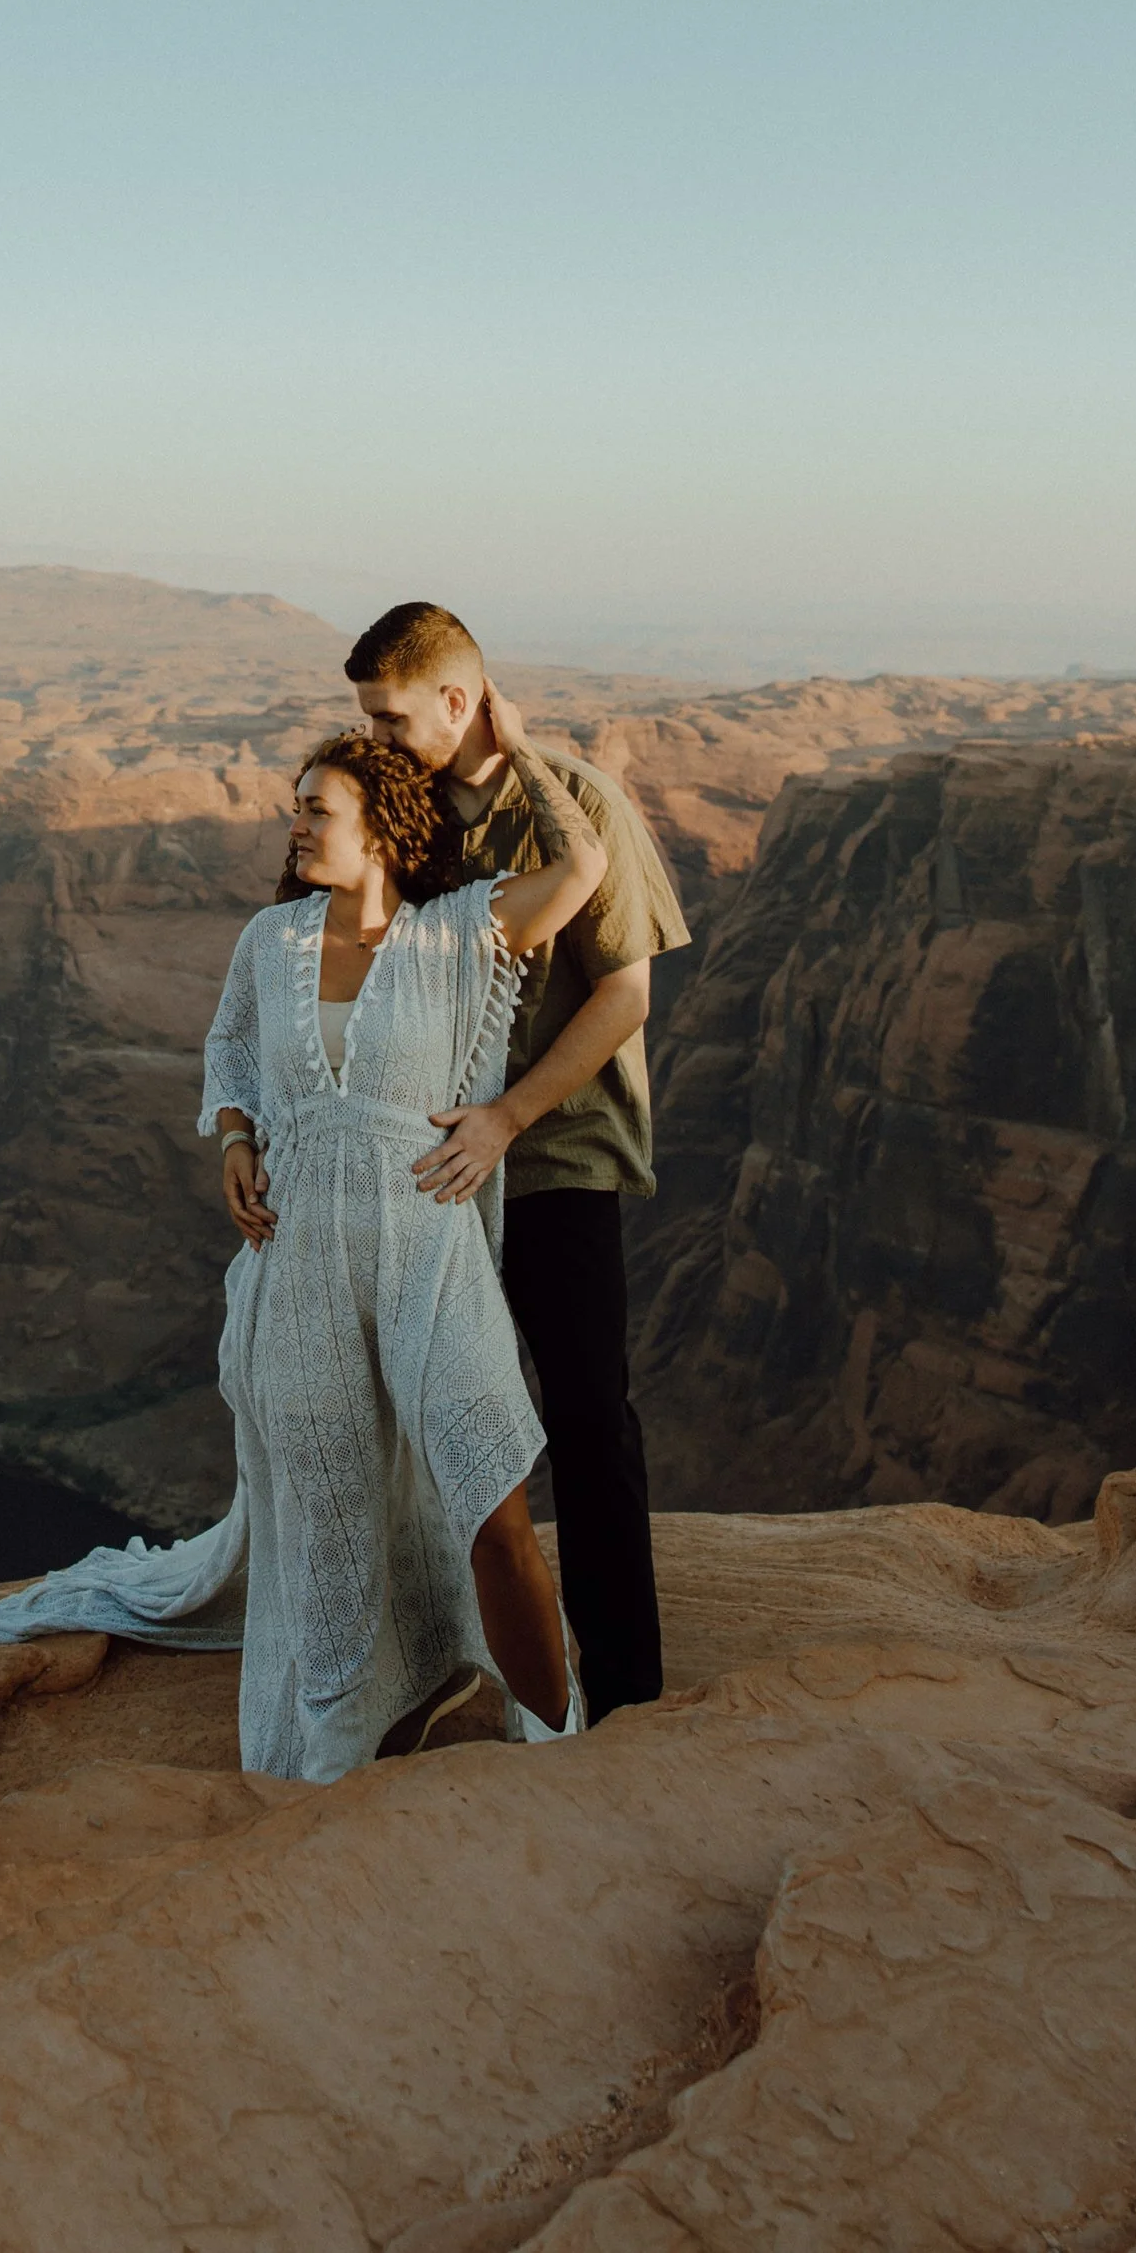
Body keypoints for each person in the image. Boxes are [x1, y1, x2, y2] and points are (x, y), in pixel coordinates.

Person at [0, 715, 609, 1781]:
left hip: (427, 1254)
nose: (295, 826)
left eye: (316, 810)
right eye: (295, 808)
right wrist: (233, 1136)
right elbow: (229, 1047)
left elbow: (583, 865)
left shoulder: (458, 932)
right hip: (299, 1266)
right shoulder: (269, 944)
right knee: (329, 1526)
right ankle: (334, 1744)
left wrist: (509, 741)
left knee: (491, 1498)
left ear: (384, 829)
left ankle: (557, 1740)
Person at [347, 601, 688, 1721]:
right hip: (439, 1158)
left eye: (393, 717)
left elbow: (625, 994)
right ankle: (448, 1670)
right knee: (429, 1421)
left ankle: (627, 1694)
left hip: (555, 1158)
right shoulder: (406, 810)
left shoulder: (576, 799)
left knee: (588, 1417)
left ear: (459, 699)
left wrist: (507, 1116)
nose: (379, 739)